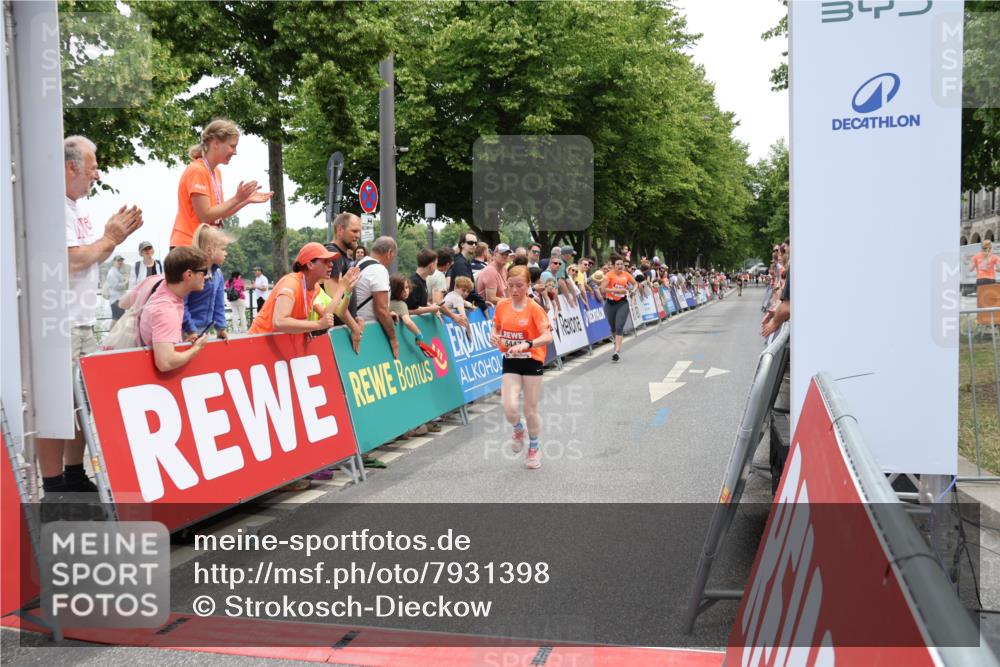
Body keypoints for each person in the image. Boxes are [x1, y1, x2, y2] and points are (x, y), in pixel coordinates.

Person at [40, 135, 143, 500]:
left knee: (79, 401)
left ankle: (72, 473)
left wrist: (108, 239)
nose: (97, 174)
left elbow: (90, 255)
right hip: (59, 321)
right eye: (94, 166)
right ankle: (52, 485)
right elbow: (75, 259)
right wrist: (110, 238)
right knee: (55, 406)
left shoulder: (77, 206)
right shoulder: (53, 205)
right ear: (72, 167)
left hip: (81, 317)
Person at [170, 119, 272, 248]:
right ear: (216, 143)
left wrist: (245, 200)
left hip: (202, 245)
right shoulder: (198, 170)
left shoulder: (215, 172)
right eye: (232, 146)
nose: (235, 152)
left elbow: (219, 214)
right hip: (187, 245)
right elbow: (206, 216)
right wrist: (237, 198)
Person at [490, 266, 554, 470]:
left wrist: (528, 344)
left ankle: (534, 447)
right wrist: (494, 335)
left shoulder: (534, 308)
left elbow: (548, 336)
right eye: (510, 285)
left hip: (531, 360)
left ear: (528, 286)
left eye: (519, 286)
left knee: (530, 409)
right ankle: (518, 429)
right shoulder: (502, 305)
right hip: (510, 358)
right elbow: (497, 327)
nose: (514, 290)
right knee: (508, 407)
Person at [119, 246, 212, 372]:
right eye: (204, 272)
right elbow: (165, 363)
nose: (207, 277)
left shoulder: (154, 280)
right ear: (188, 274)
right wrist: (196, 348)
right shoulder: (167, 310)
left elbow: (123, 303)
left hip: (129, 358)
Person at [248, 242, 350, 335]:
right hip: (258, 341)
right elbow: (279, 322)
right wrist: (318, 324)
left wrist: (342, 289)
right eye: (326, 261)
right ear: (310, 265)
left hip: (278, 343)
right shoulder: (291, 284)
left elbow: (326, 316)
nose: (331, 264)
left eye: (331, 261)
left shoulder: (315, 287)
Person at [324, 212, 366, 353]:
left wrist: (355, 317)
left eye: (359, 231)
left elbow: (344, 296)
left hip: (340, 330)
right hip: (332, 333)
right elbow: (334, 299)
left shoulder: (343, 256)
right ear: (340, 230)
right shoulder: (332, 254)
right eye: (354, 231)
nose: (358, 236)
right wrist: (354, 327)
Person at [355, 236, 401, 359]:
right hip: (368, 332)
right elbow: (380, 309)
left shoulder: (361, 263)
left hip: (358, 325)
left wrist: (387, 313)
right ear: (390, 253)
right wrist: (393, 338)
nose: (391, 260)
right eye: (393, 256)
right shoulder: (378, 270)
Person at [183, 224, 231, 341]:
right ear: (210, 250)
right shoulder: (192, 273)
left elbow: (218, 304)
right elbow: (182, 305)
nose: (226, 253)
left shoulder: (218, 274)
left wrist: (221, 328)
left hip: (204, 331)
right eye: (223, 249)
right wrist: (191, 330)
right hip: (186, 331)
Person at [601, 254, 637, 363]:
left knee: (619, 326)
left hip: (622, 303)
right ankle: (615, 341)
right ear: (613, 265)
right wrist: (615, 291)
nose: (620, 266)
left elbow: (635, 284)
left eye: (621, 264)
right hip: (610, 303)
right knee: (613, 328)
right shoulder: (608, 275)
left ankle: (616, 352)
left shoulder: (626, 275)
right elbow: (603, 289)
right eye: (617, 264)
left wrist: (634, 290)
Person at [447, 230, 489, 311]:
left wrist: (482, 302)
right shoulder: (460, 263)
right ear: (462, 244)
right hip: (458, 308)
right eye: (470, 242)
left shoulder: (463, 261)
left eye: (475, 243)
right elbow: (466, 289)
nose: (474, 245)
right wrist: (483, 304)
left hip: (461, 305)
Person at [106, 255, 128, 325]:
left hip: (119, 299)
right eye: (118, 260)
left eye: (121, 260)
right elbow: (116, 286)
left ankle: (115, 335)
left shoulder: (116, 272)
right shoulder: (112, 272)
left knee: (118, 319)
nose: (120, 262)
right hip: (116, 300)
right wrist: (125, 282)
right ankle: (111, 335)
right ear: (113, 262)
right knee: (116, 319)